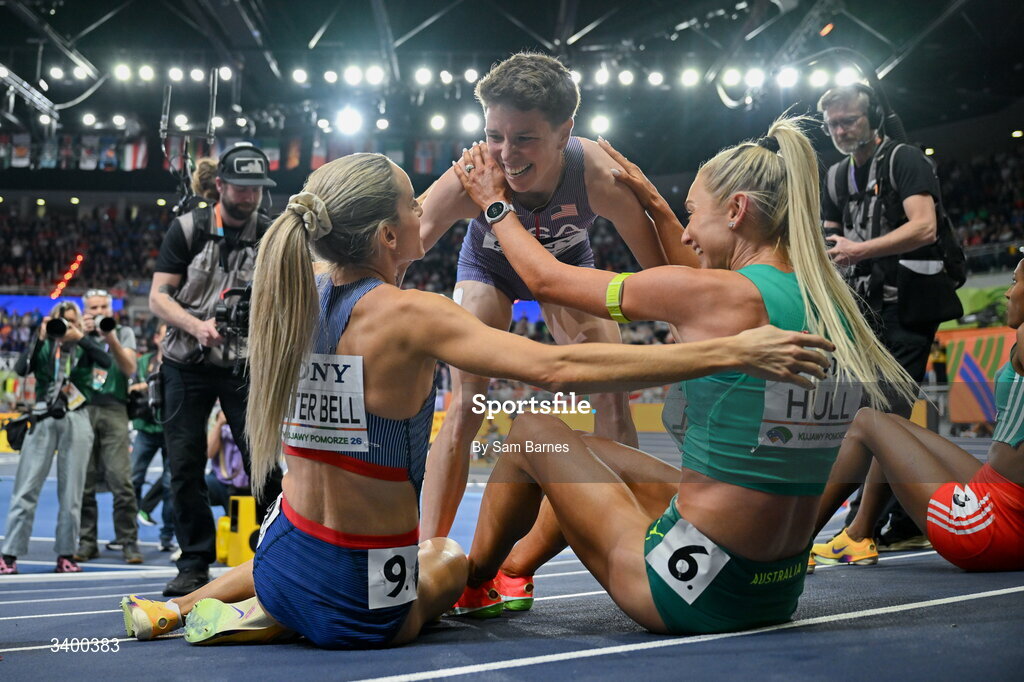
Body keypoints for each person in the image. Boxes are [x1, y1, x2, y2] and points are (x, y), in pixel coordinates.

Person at [119, 151, 834, 647]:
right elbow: (555, 370)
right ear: (394, 234)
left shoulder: (291, 290)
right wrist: (730, 350)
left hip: (284, 556)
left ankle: (181, 604)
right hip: (363, 601)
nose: (429, 215)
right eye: (415, 205)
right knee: (447, 560)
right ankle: (286, 613)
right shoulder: (409, 314)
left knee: (300, 531)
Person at [444, 116, 916, 632]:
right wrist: (655, 205)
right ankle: (513, 573)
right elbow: (700, 276)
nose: (687, 232)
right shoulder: (832, 301)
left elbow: (545, 279)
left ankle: (474, 583)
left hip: (689, 590)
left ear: (737, 210)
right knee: (591, 454)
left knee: (534, 433)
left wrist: (494, 204)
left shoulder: (718, 296)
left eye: (692, 214)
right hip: (776, 590)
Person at [417, 53, 692, 540]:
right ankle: (429, 547)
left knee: (611, 393)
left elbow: (658, 264)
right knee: (466, 405)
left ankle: (639, 538)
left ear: (564, 134)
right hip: (489, 269)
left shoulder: (595, 174)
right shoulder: (472, 175)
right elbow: (403, 242)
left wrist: (682, 320)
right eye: (494, 135)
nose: (505, 154)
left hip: (565, 271)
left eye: (524, 138)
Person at [810, 259, 1024, 571]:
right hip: (1001, 499)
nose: (1007, 293)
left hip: (988, 529)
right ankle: (857, 534)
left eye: (1016, 282)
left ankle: (788, 549)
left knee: (866, 422)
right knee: (895, 427)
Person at [818, 83, 959, 549]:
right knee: (873, 416)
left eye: (850, 120)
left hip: (911, 304)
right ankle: (905, 520)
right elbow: (831, 242)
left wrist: (859, 250)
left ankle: (861, 528)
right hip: (868, 310)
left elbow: (925, 226)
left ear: (872, 116)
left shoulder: (903, 158)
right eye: (833, 123)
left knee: (883, 415)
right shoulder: (837, 176)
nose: (840, 130)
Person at [149, 145, 282, 596]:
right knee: (184, 463)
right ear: (220, 186)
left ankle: (277, 550)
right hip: (185, 361)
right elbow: (158, 297)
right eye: (241, 188)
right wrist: (196, 326)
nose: (249, 198)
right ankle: (194, 561)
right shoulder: (188, 229)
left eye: (257, 190)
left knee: (262, 459)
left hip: (242, 362)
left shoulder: (271, 232)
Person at [0, 302, 112, 574]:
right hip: (42, 415)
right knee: (25, 488)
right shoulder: (45, 344)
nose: (66, 327)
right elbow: (21, 369)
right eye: (62, 321)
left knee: (72, 492)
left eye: (72, 322)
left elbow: (107, 362)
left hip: (77, 416)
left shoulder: (86, 345)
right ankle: (9, 556)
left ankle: (65, 555)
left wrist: (82, 338)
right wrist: (39, 339)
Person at [74, 290, 142, 565]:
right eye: (94, 307)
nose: (100, 310)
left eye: (104, 306)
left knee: (121, 480)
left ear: (112, 309)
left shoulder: (123, 332)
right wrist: (80, 334)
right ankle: (87, 542)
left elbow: (128, 369)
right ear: (85, 311)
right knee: (84, 482)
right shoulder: (77, 332)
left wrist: (108, 336)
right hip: (82, 408)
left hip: (115, 407)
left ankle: (128, 542)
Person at [129, 322, 176, 552]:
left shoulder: (179, 363)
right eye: (163, 333)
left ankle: (167, 536)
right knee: (134, 478)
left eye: (171, 333)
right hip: (145, 428)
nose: (167, 337)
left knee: (170, 485)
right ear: (156, 338)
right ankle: (130, 534)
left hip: (170, 429)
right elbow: (132, 388)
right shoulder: (143, 362)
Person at [204, 407, 249, 512]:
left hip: (248, 481)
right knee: (194, 485)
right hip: (221, 480)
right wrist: (219, 423)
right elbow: (209, 453)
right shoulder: (217, 414)